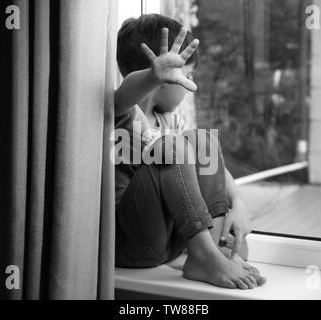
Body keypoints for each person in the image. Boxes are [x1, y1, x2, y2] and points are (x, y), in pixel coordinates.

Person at [114, 14, 266, 289]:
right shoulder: (123, 115)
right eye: (187, 76)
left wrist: (238, 203)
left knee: (203, 141)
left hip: (168, 241)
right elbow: (123, 95)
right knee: (172, 147)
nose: (190, 88)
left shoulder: (169, 121)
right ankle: (206, 255)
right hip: (130, 242)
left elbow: (208, 158)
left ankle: (210, 251)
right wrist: (150, 75)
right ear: (162, 80)